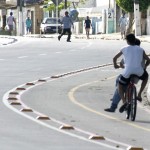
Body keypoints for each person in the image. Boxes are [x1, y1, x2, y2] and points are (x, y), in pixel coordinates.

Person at [104, 38, 149, 112]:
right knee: (146, 77)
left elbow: (121, 63)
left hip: (128, 74)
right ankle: (139, 94)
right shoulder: (141, 51)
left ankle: (115, 105)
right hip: (139, 74)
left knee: (119, 85)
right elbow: (148, 60)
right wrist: (145, 67)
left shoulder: (128, 51)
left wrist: (118, 66)